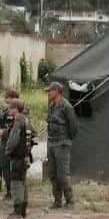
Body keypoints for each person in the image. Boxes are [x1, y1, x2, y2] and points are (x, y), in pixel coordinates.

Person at [45, 81, 78, 209]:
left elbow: (73, 127)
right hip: (52, 142)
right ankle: (57, 201)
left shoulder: (67, 106)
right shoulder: (52, 106)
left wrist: (67, 140)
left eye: (50, 91)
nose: (48, 93)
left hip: (62, 143)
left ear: (57, 91)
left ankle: (70, 201)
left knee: (63, 175)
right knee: (52, 174)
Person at [5, 98, 35, 218]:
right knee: (23, 182)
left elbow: (13, 139)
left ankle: (17, 210)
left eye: (10, 108)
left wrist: (8, 151)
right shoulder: (26, 120)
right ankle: (23, 209)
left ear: (15, 109)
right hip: (25, 156)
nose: (8, 110)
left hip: (18, 156)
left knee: (16, 182)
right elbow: (34, 133)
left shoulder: (18, 121)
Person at [0, 88, 20, 199]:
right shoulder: (5, 111)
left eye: (8, 97)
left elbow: (19, 128)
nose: (6, 100)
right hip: (4, 143)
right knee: (4, 166)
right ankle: (9, 190)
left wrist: (4, 132)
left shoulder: (21, 111)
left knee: (14, 168)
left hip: (15, 144)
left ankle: (16, 192)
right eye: (5, 97)